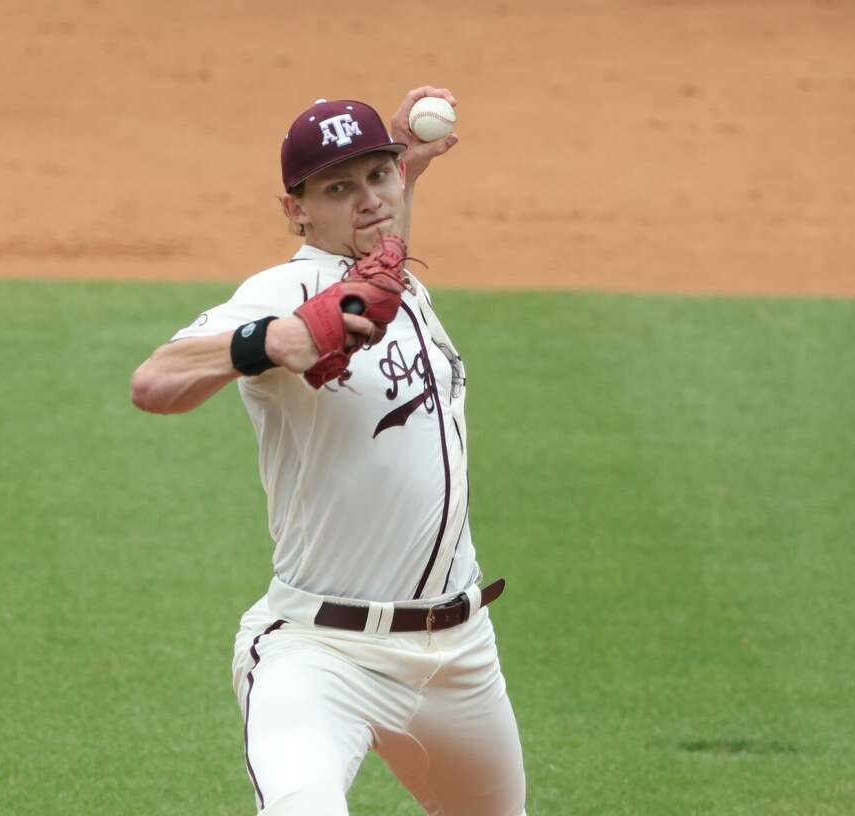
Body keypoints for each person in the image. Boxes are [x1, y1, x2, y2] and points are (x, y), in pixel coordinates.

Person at [130, 87, 527, 816]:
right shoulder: (284, 291)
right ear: (297, 210)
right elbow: (155, 382)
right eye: (338, 188)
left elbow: (378, 214)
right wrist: (267, 341)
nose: (369, 200)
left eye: (379, 176)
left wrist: (403, 157)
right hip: (322, 655)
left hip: (461, 657)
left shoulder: (386, 271)